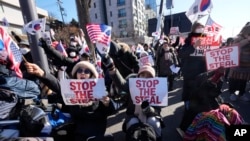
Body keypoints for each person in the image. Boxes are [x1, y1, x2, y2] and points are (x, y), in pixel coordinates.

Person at [25, 61, 115, 141]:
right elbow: (57, 86)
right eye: (79, 70)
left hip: (95, 135)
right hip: (76, 134)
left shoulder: (100, 91)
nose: (82, 73)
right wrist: (41, 73)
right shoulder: (70, 91)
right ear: (76, 74)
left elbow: (110, 111)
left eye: (87, 71)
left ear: (92, 75)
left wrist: (107, 103)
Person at [102, 55, 165, 141]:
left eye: (148, 76)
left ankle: (158, 138)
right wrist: (112, 68)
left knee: (154, 122)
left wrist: (148, 109)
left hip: (151, 114)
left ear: (153, 79)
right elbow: (122, 83)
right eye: (143, 74)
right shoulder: (133, 85)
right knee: (132, 123)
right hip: (133, 114)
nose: (145, 77)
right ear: (138, 76)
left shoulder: (157, 89)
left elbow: (157, 110)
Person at [178, 22, 207, 110]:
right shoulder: (188, 41)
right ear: (193, 30)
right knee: (189, 89)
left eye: (202, 28)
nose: (200, 30)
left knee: (201, 89)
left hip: (202, 70)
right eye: (198, 28)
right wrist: (194, 46)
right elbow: (182, 54)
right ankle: (187, 103)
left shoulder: (208, 41)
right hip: (190, 71)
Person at [228, 22, 250, 102]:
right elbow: (234, 47)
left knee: (243, 81)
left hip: (247, 65)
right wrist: (247, 40)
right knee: (234, 80)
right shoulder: (238, 38)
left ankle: (241, 94)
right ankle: (232, 93)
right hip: (237, 65)